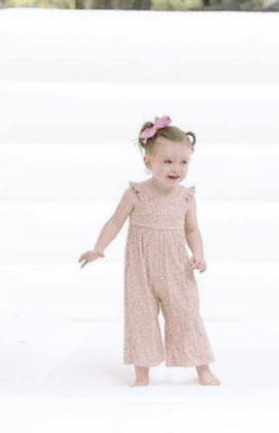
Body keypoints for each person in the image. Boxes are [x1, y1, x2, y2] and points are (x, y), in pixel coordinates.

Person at [79, 115, 219, 387]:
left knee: (186, 314)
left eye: (183, 162)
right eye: (167, 161)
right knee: (140, 317)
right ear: (148, 162)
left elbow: (192, 230)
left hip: (177, 267)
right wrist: (99, 248)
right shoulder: (136, 193)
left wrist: (198, 254)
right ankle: (141, 374)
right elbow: (115, 222)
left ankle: (203, 368)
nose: (175, 168)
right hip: (140, 268)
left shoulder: (186, 197)